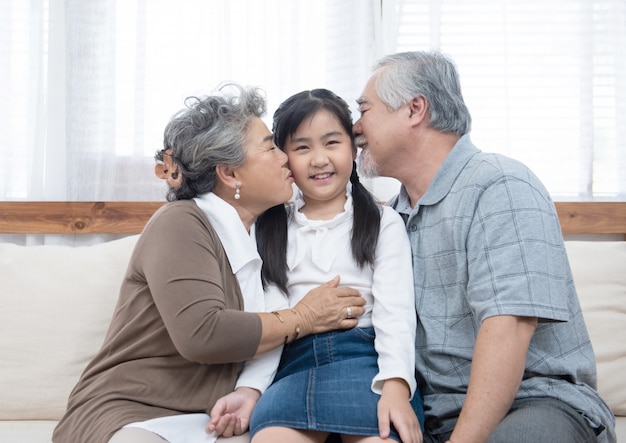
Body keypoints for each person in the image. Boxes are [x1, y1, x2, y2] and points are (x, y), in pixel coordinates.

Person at [52, 84, 366, 443]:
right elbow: (203, 333)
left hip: (211, 416)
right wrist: (304, 318)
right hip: (131, 409)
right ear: (230, 174)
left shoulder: (270, 233)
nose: (285, 157)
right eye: (269, 146)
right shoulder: (181, 222)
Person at [352, 50, 617, 443]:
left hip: (535, 403)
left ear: (414, 109)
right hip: (431, 411)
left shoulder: (501, 186)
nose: (355, 127)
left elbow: (508, 327)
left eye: (365, 110)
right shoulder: (392, 219)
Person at [210, 89, 424, 443]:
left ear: (353, 151)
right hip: (294, 365)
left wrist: (396, 387)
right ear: (284, 158)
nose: (319, 159)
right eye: (302, 147)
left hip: (367, 362)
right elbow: (273, 319)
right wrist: (250, 389)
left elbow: (396, 315)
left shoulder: (383, 222)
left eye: (331, 143)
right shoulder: (270, 227)